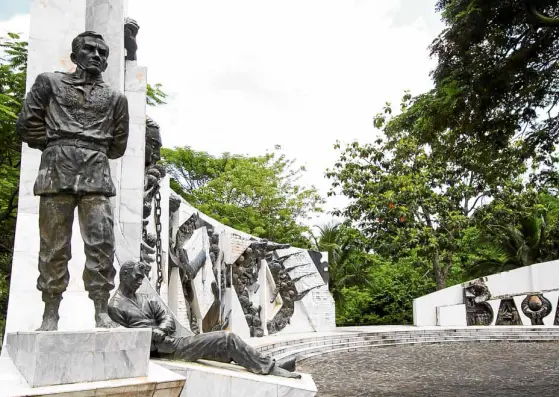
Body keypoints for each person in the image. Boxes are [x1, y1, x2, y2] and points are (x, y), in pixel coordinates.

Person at [16, 31, 129, 331]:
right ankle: (50, 313)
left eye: (103, 53)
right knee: (54, 245)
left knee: (101, 243)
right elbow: (27, 125)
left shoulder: (117, 98)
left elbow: (118, 145)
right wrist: (58, 145)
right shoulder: (49, 83)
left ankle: (101, 311)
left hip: (97, 173)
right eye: (90, 50)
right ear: (75, 54)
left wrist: (87, 147)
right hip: (57, 171)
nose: (97, 56)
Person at [108, 261, 301, 379]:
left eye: (142, 277)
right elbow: (127, 338)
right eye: (137, 276)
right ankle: (270, 366)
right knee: (227, 339)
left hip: (173, 341)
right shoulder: (116, 306)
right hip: (166, 351)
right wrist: (152, 335)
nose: (141, 281)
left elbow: (167, 319)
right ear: (124, 275)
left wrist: (162, 329)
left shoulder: (145, 299)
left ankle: (269, 365)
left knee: (226, 351)